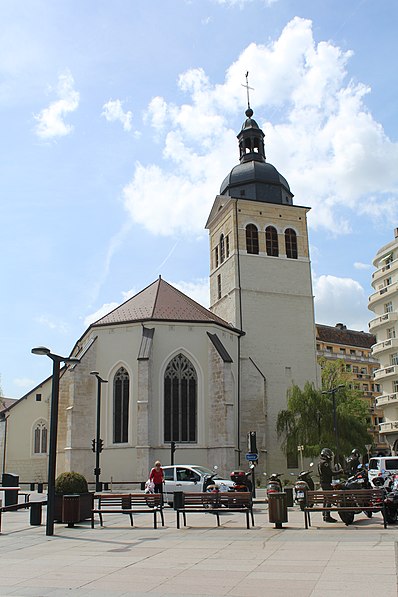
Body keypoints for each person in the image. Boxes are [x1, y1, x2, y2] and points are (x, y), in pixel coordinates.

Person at [318, 447, 341, 523]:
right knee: (329, 499)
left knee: (326, 499)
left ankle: (324, 514)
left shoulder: (320, 462)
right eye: (329, 455)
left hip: (323, 483)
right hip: (326, 483)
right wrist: (339, 471)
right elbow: (330, 473)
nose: (330, 457)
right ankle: (327, 516)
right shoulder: (325, 463)